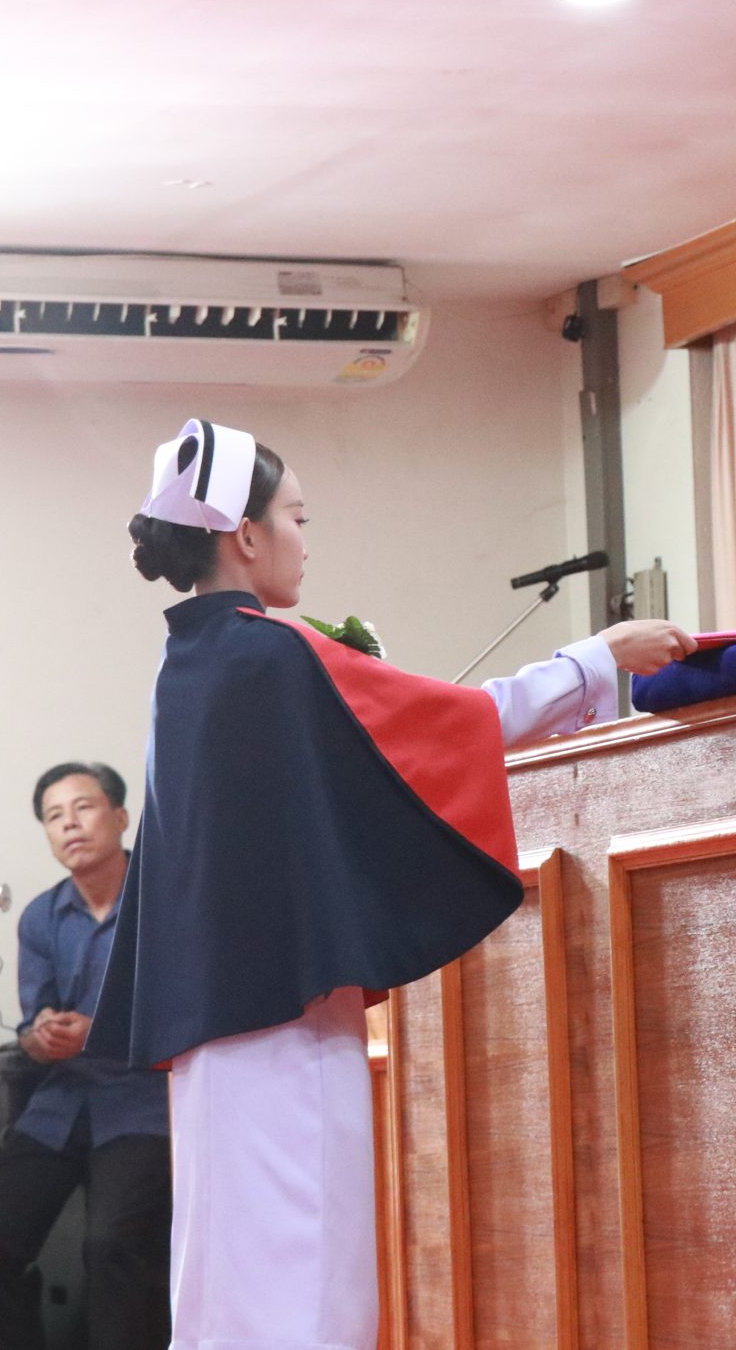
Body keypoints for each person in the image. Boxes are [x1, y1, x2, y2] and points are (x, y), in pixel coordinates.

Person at [89, 420, 693, 1350]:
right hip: (285, 1028)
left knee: (228, 1288)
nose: (304, 539)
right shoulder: (272, 653)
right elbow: (466, 723)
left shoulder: (189, 666)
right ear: (244, 534)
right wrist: (599, 655)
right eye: (296, 518)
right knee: (307, 1290)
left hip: (219, 1040)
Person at [0, 760, 169, 1350]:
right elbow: (33, 1027)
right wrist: (38, 1038)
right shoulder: (40, 916)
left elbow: (187, 1014)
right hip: (63, 1100)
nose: (69, 825)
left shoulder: (164, 904)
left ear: (120, 817)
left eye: (83, 807)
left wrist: (96, 1034)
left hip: (145, 1098)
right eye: (54, 816)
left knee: (111, 1245)